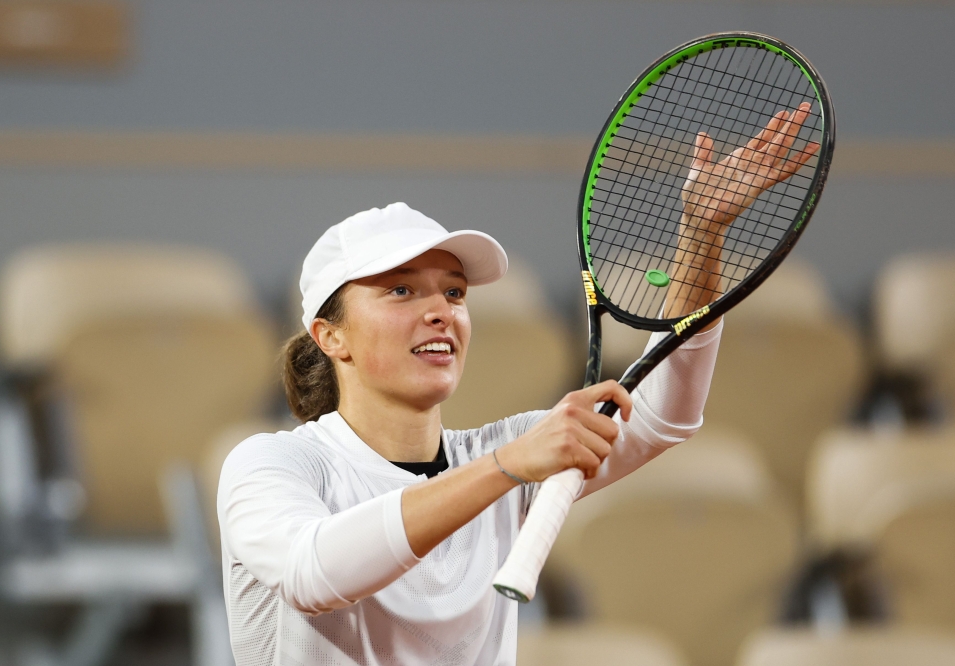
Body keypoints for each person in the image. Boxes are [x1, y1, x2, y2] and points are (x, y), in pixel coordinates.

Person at [217, 104, 818, 665]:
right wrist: (508, 467)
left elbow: (665, 413)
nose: (441, 311)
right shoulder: (272, 465)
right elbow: (312, 573)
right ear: (330, 336)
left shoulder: (504, 460)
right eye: (401, 290)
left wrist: (702, 233)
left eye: (454, 292)